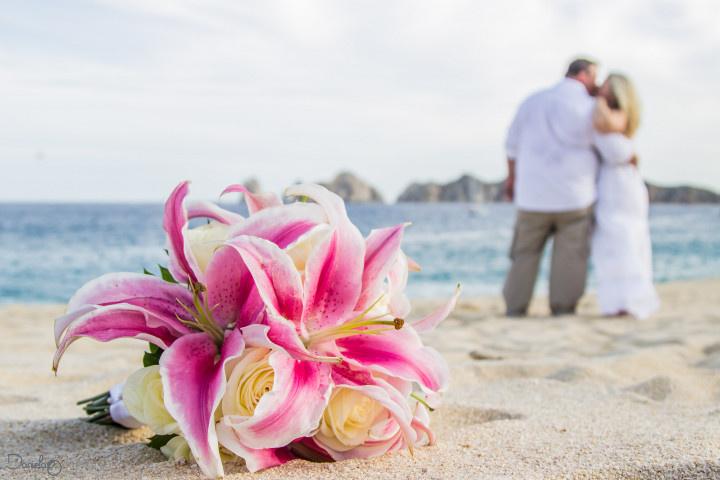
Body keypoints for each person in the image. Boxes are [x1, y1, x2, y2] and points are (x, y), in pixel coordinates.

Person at [502, 58, 598, 316]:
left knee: (524, 255)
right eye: (594, 76)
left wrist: (512, 179)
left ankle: (515, 308)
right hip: (574, 197)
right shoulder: (590, 107)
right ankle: (563, 308)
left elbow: (511, 146)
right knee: (571, 258)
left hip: (532, 196)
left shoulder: (532, 101)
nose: (596, 83)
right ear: (584, 74)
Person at [591, 74, 660, 318]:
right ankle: (616, 301)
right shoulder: (605, 115)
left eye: (606, 84)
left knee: (627, 239)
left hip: (624, 186)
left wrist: (596, 97)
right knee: (610, 241)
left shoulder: (614, 114)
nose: (601, 86)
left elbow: (605, 124)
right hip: (610, 184)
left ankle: (629, 301)